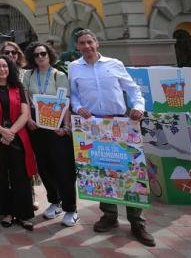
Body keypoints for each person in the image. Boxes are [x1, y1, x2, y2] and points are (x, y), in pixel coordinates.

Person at [69, 29, 155, 247]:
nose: (87, 46)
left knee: (129, 173)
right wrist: (78, 108)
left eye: (90, 42)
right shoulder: (74, 67)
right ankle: (109, 215)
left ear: (97, 43)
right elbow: (74, 95)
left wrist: (137, 107)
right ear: (77, 46)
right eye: (82, 43)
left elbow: (133, 89)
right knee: (102, 172)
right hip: (93, 126)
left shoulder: (114, 64)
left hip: (120, 124)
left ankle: (137, 222)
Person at [0, 55, 37, 231]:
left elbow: (25, 114)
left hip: (17, 136)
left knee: (21, 175)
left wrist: (10, 132)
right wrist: (2, 131)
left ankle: (24, 214)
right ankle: (6, 212)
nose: (2, 69)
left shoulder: (17, 87)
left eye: (5, 66)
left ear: (10, 68)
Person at [23, 41, 78, 227]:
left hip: (57, 128)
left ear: (49, 55)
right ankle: (55, 202)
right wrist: (28, 119)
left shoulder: (58, 75)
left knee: (63, 168)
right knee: (45, 168)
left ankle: (71, 208)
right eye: (36, 54)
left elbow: (67, 103)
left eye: (43, 54)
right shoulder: (29, 75)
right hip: (37, 127)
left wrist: (66, 127)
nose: (40, 57)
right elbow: (25, 99)